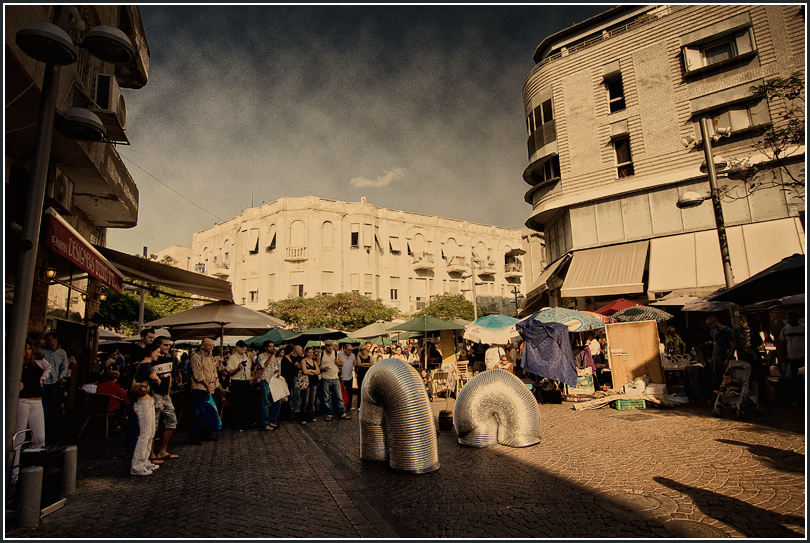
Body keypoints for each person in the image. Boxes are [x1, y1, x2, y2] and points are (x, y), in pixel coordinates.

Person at [130, 342, 162, 476]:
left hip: (146, 402)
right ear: (151, 351)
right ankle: (137, 465)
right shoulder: (146, 366)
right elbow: (157, 382)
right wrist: (158, 379)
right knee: (145, 434)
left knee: (150, 433)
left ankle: (145, 461)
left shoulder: (145, 366)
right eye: (158, 351)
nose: (159, 354)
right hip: (143, 403)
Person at [188, 338, 221, 445]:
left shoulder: (210, 356)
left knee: (210, 411)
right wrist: (207, 385)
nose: (212, 347)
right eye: (209, 345)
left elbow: (214, 371)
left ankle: (207, 433)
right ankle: (195, 436)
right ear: (203, 346)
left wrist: (213, 382)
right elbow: (198, 374)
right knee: (197, 413)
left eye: (212, 345)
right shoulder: (196, 356)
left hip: (210, 387)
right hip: (200, 388)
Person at [151, 336, 179, 461]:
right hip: (154, 395)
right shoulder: (153, 359)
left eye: (169, 345)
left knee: (171, 421)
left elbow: (169, 376)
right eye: (165, 345)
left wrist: (168, 392)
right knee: (153, 425)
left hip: (166, 395)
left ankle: (163, 450)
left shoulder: (169, 358)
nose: (168, 347)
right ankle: (151, 453)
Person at [38, 332, 69, 425]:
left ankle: (48, 422)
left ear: (55, 340)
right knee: (41, 403)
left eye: (49, 340)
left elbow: (64, 366)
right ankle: (42, 420)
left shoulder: (61, 353)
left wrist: (60, 377)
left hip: (53, 381)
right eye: (46, 340)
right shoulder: (40, 350)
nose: (47, 342)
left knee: (51, 401)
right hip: (42, 381)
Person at [224, 340, 253, 431]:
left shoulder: (247, 356)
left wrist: (250, 377)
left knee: (246, 403)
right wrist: (237, 369)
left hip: (246, 382)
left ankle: (245, 422)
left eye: (244, 347)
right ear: (236, 347)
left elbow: (249, 368)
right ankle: (237, 424)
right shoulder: (232, 358)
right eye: (241, 347)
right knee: (237, 404)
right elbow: (229, 372)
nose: (243, 348)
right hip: (237, 382)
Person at [778, 311, 805, 408]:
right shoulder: (785, 330)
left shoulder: (803, 328)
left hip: (802, 359)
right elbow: (783, 344)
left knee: (803, 379)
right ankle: (799, 401)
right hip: (792, 359)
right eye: (787, 318)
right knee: (796, 380)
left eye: (791, 318)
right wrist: (783, 357)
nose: (789, 320)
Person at [318, 340, 350, 421]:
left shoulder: (336, 354)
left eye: (331, 346)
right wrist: (323, 368)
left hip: (335, 377)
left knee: (338, 396)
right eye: (328, 346)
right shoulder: (321, 354)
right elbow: (317, 366)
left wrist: (338, 362)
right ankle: (329, 413)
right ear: (325, 347)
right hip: (325, 377)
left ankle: (342, 413)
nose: (329, 347)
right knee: (326, 397)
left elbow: (342, 364)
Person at [257, 342, 282, 431]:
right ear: (266, 348)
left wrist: (277, 371)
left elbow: (274, 367)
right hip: (265, 379)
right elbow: (264, 365)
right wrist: (271, 356)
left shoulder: (274, 357)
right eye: (270, 346)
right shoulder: (261, 356)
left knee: (277, 401)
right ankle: (264, 423)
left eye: (273, 346)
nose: (272, 348)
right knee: (265, 402)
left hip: (273, 381)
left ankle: (271, 420)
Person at [706, 316, 737, 387]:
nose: (709, 326)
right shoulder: (713, 331)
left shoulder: (727, 331)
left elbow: (733, 345)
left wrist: (728, 357)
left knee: (726, 376)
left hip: (725, 355)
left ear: (715, 322)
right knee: (716, 376)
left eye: (709, 324)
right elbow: (715, 343)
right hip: (717, 356)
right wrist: (713, 356)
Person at [279, 344, 300, 422]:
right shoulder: (284, 360)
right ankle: (286, 415)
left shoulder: (292, 358)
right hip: (287, 379)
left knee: (292, 396)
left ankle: (290, 414)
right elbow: (284, 371)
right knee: (287, 397)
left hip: (292, 378)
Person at [300, 347, 320, 424]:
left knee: (312, 400)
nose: (311, 354)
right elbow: (305, 371)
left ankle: (310, 416)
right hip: (307, 382)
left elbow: (318, 371)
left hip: (314, 381)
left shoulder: (314, 361)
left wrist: (311, 371)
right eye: (309, 352)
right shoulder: (303, 361)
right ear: (306, 353)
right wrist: (313, 371)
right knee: (305, 400)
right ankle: (303, 417)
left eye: (312, 352)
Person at [338, 343, 357, 411]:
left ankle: (349, 406)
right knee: (340, 393)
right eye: (348, 350)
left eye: (351, 350)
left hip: (349, 376)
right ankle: (341, 407)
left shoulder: (353, 356)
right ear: (345, 349)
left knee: (350, 392)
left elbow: (354, 365)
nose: (350, 351)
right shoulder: (340, 355)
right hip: (342, 376)